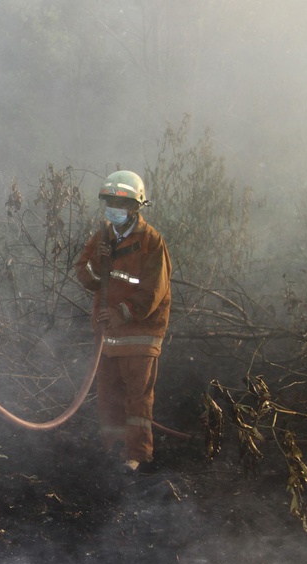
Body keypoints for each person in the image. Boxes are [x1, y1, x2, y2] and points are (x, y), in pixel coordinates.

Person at [74, 170, 172, 472]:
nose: (113, 209)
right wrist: (98, 263)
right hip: (108, 338)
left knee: (137, 401)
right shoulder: (102, 236)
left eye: (121, 203)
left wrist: (120, 314)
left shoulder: (151, 242)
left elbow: (153, 291)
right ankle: (112, 450)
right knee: (108, 396)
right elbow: (85, 277)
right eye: (109, 202)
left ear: (136, 207)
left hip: (139, 336)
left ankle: (137, 456)